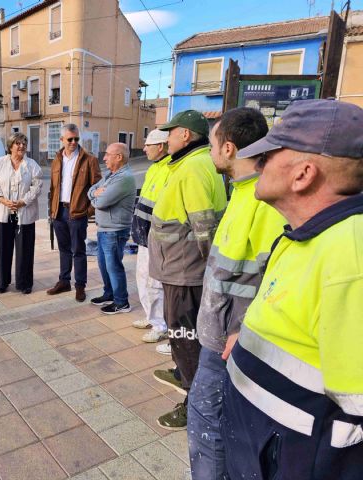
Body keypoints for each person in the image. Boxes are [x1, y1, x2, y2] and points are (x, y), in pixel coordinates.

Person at [221, 99, 363, 479]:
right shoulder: (307, 235)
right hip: (263, 449)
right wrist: (245, 335)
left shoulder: (350, 256)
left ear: (303, 174)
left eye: (269, 155)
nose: (258, 164)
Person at [188, 108, 286, 480]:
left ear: (228, 148)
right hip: (219, 338)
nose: (210, 152)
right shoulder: (244, 192)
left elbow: (276, 275)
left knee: (208, 426)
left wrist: (243, 327)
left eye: (212, 144)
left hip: (229, 345)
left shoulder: (264, 201)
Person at [148, 110, 227, 430]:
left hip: (184, 270)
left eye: (170, 132)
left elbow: (203, 225)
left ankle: (194, 402)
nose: (165, 138)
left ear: (185, 135)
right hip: (180, 268)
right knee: (186, 335)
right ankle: (184, 374)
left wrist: (209, 272)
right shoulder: (196, 163)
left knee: (185, 338)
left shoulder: (192, 168)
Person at [47, 123, 102, 302]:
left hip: (77, 213)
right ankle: (64, 281)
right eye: (69, 139)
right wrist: (51, 210)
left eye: (76, 139)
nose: (73, 142)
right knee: (64, 250)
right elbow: (53, 188)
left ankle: (80, 286)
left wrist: (89, 211)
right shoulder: (57, 159)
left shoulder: (89, 160)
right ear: (61, 140)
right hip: (59, 212)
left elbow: (98, 188)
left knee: (78, 250)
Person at [0, 132, 43, 294]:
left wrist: (23, 201)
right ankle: (3, 282)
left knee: (25, 249)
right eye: (18, 143)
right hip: (4, 211)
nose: (22, 146)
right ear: (10, 146)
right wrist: (2, 199)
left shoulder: (32, 165)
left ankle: (24, 283)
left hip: (25, 211)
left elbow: (37, 186)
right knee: (3, 249)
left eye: (24, 143)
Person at [130, 129, 171, 344]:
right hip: (143, 234)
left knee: (155, 282)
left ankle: (160, 325)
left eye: (148, 145)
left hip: (156, 235)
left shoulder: (170, 169)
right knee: (142, 276)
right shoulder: (154, 168)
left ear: (161, 147)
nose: (144, 149)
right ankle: (150, 315)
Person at [88, 142, 136, 314]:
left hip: (115, 231)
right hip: (104, 229)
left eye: (108, 154)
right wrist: (95, 194)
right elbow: (91, 190)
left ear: (119, 157)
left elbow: (100, 202)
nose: (104, 158)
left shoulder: (124, 178)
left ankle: (122, 302)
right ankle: (109, 294)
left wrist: (95, 198)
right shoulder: (111, 175)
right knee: (104, 265)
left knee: (114, 266)